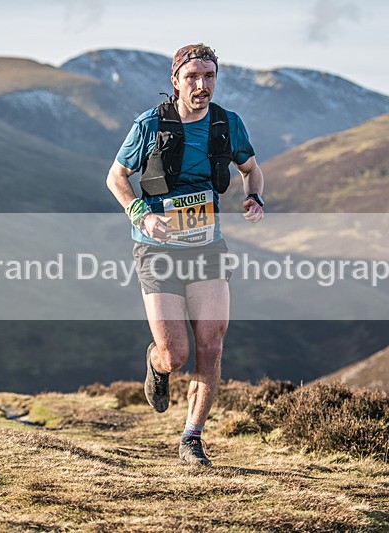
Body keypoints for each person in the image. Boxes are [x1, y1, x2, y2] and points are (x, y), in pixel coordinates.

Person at [106, 43, 265, 466]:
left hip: (207, 246)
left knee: (210, 345)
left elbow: (251, 169)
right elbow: (116, 177)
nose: (202, 84)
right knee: (175, 353)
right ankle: (157, 366)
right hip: (157, 248)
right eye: (192, 76)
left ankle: (192, 438)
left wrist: (255, 198)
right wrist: (141, 214)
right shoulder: (150, 124)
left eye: (209, 76)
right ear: (175, 81)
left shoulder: (227, 124)